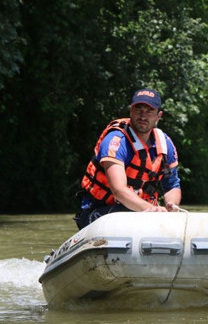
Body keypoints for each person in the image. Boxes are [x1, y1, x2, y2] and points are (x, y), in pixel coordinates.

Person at [74, 88, 181, 229]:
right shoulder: (116, 141)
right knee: (132, 216)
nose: (143, 116)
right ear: (131, 111)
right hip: (98, 212)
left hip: (142, 212)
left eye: (149, 111)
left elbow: (172, 186)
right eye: (138, 110)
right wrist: (152, 211)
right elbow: (119, 190)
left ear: (158, 115)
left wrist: (170, 206)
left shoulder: (165, 144)